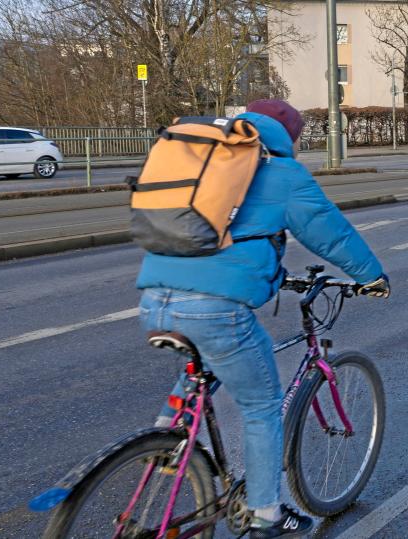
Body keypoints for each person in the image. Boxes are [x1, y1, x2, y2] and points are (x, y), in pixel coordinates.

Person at [136, 99, 391, 538]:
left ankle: (166, 434)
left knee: (209, 361)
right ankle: (265, 515)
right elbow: (330, 234)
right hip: (215, 307)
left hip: (154, 298)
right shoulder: (284, 174)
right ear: (289, 137)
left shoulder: (205, 157)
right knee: (261, 405)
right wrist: (372, 277)